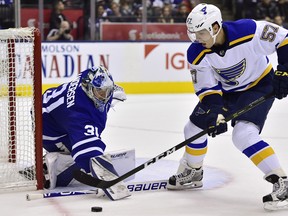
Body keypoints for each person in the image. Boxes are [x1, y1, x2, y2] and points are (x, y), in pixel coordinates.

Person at [167, 3, 288, 211]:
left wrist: (284, 71)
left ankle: (282, 182)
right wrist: (215, 113)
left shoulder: (248, 31)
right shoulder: (196, 52)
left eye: (202, 33)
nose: (197, 39)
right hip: (227, 92)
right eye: (194, 34)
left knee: (243, 134)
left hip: (259, 85)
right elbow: (207, 88)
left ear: (215, 27)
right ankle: (194, 172)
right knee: (193, 129)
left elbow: (285, 39)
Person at [41, 65, 130, 201]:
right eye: (100, 92)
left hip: (52, 113)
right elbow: (87, 153)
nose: (104, 97)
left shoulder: (87, 81)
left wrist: (106, 92)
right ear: (88, 89)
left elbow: (102, 90)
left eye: (107, 92)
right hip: (49, 132)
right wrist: (110, 179)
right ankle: (56, 167)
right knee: (82, 155)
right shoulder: (78, 113)